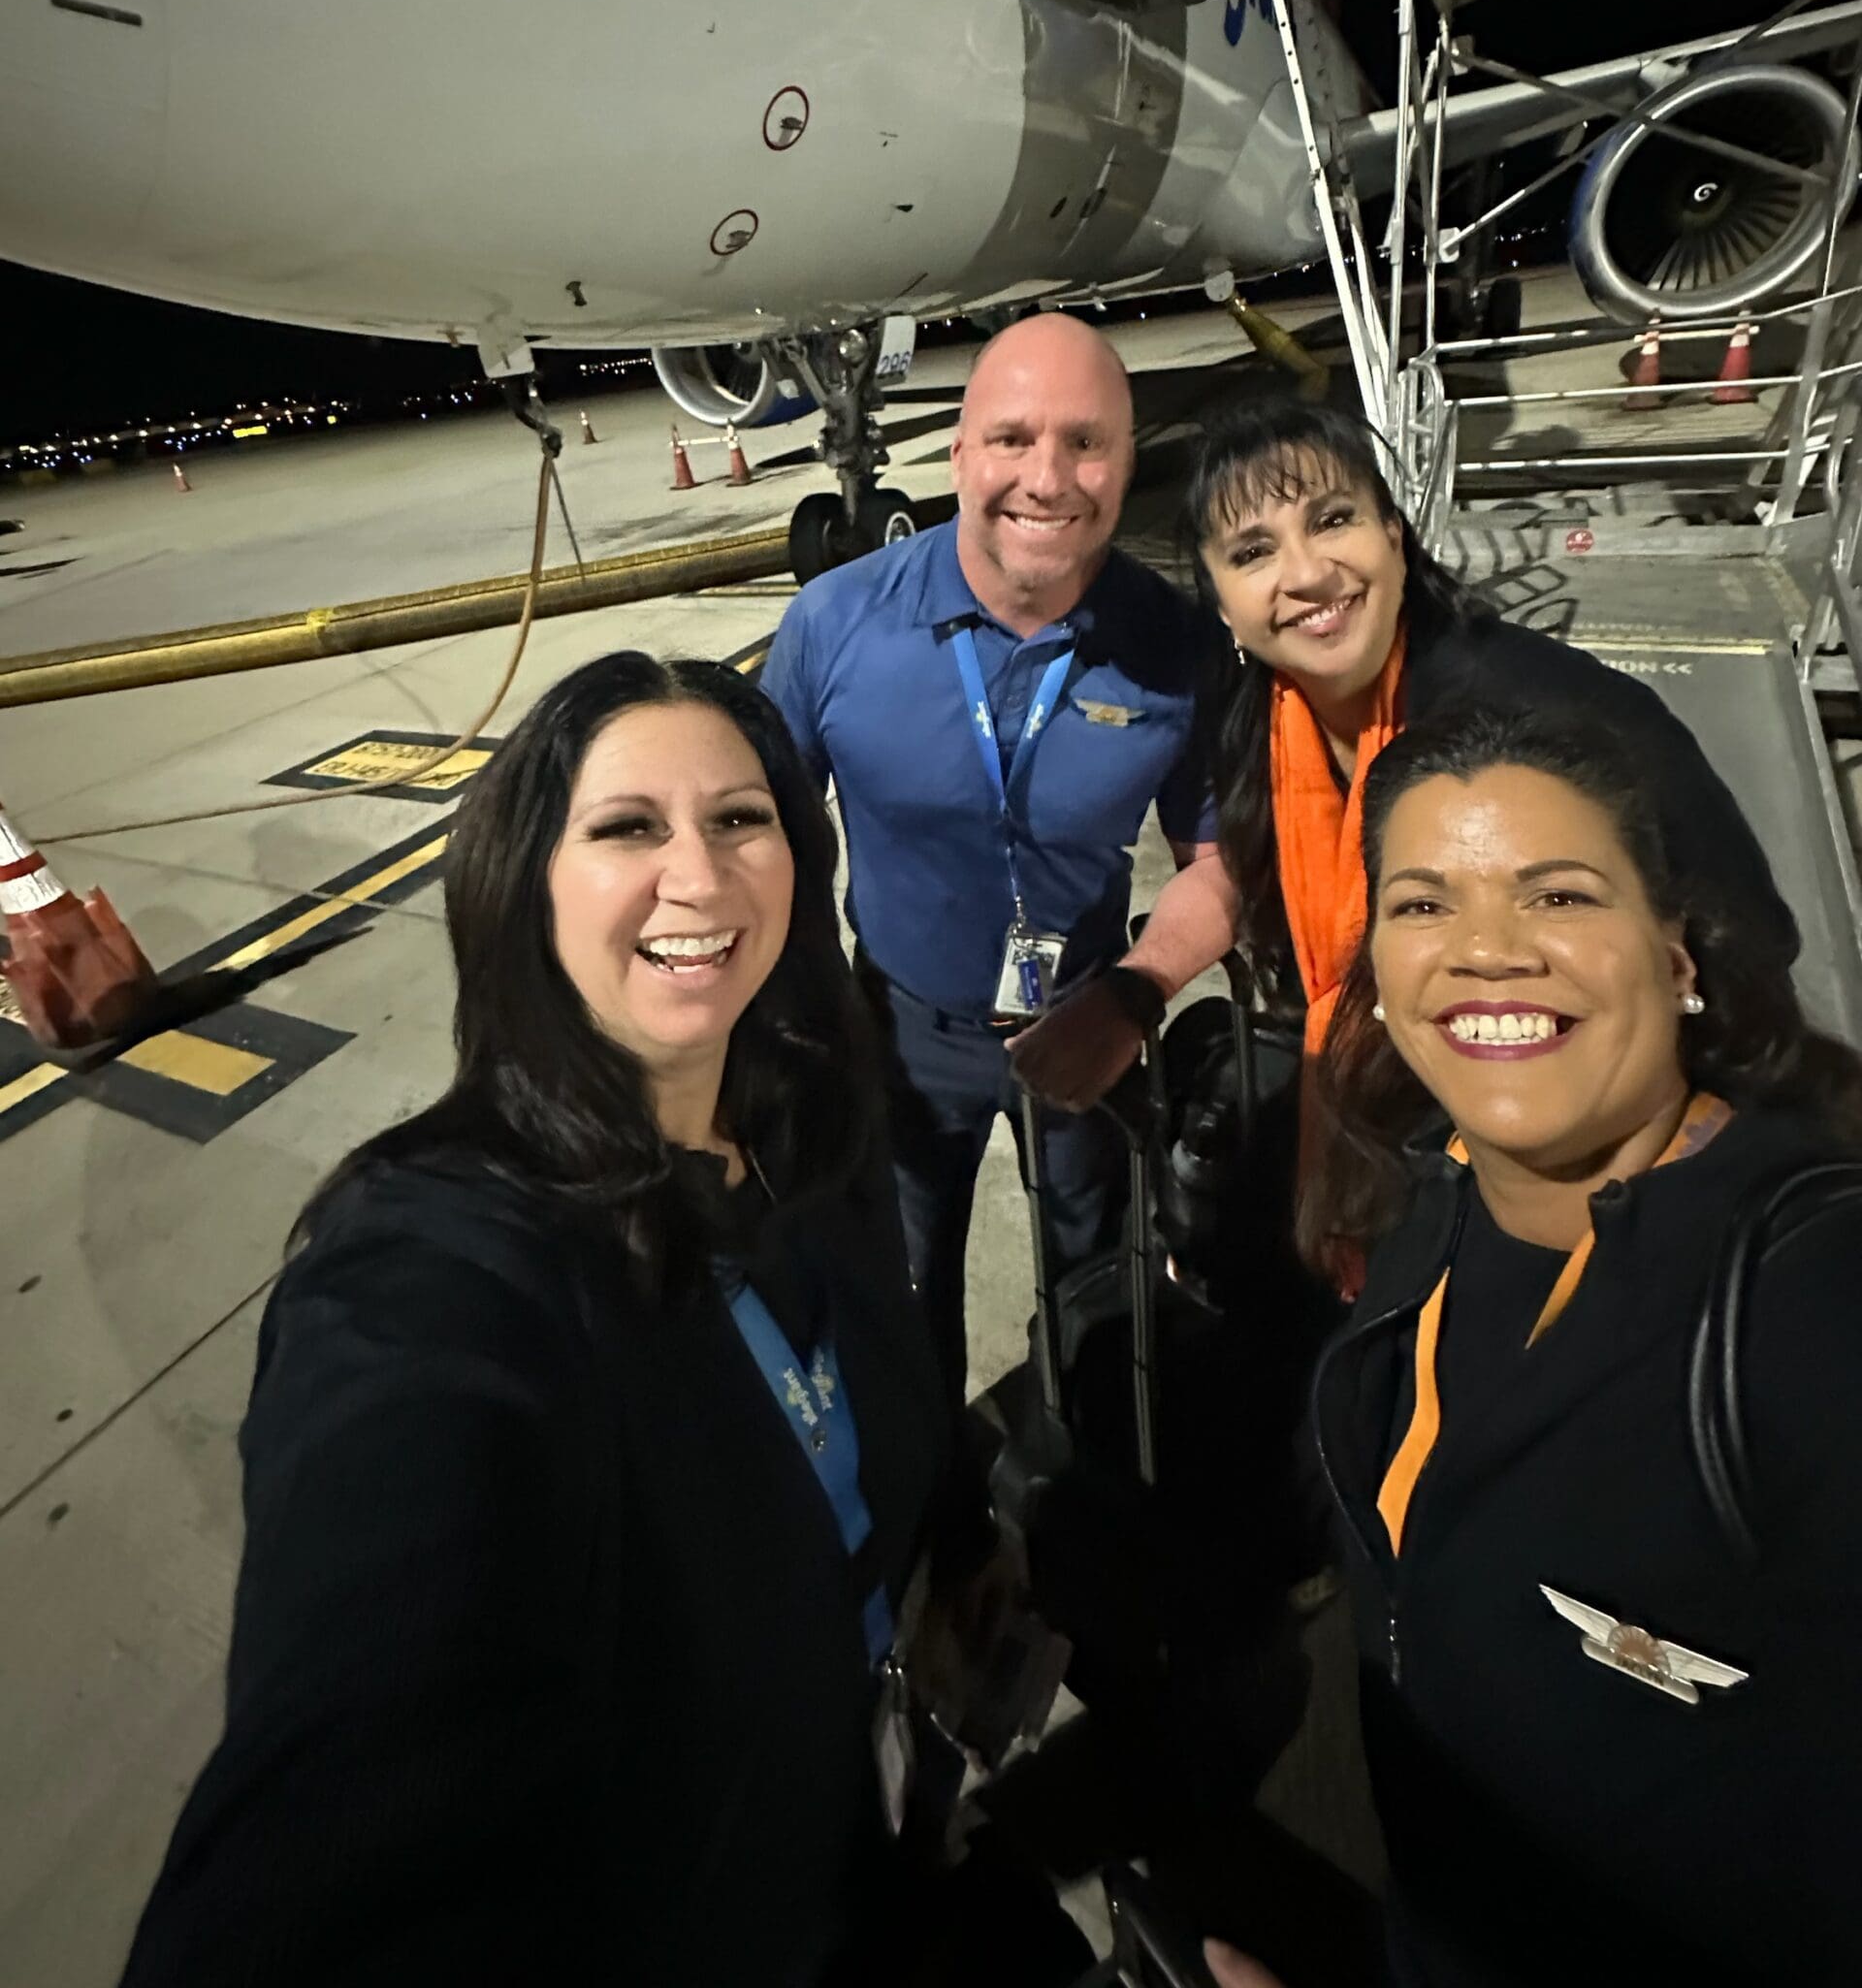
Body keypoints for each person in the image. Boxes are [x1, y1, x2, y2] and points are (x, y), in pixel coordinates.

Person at [117, 654, 976, 1988]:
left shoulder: (811, 1135)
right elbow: (350, 1817)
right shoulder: (436, 1266)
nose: (697, 876)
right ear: (527, 884)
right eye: (627, 828)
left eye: (742, 819)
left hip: (862, 1857)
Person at [1235, 702, 1861, 1987]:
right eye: (1422, 905)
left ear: (1680, 952)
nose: (1486, 952)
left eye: (1559, 896)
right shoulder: (1436, 1201)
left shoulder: (1807, 1301)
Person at [1010, 397, 1799, 1225]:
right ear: (1222, 603)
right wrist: (1137, 990)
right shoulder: (1264, 715)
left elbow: (1749, 944)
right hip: (1404, 1128)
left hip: (1585, 1164)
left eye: (1334, 519)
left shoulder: (1531, 720)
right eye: (1254, 551)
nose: (1309, 572)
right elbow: (1245, 870)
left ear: (1393, 532)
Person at [762, 313, 1221, 1400]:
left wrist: (1140, 993)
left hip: (1092, 1030)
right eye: (1012, 439)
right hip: (898, 1034)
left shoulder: (1178, 646)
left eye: (1086, 442)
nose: (1047, 478)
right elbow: (754, 846)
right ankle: (945, 1526)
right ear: (960, 454)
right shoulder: (834, 626)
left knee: (1095, 1290)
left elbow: (1223, 857)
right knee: (905, 1298)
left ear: (1128, 457)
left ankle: (1077, 1505)